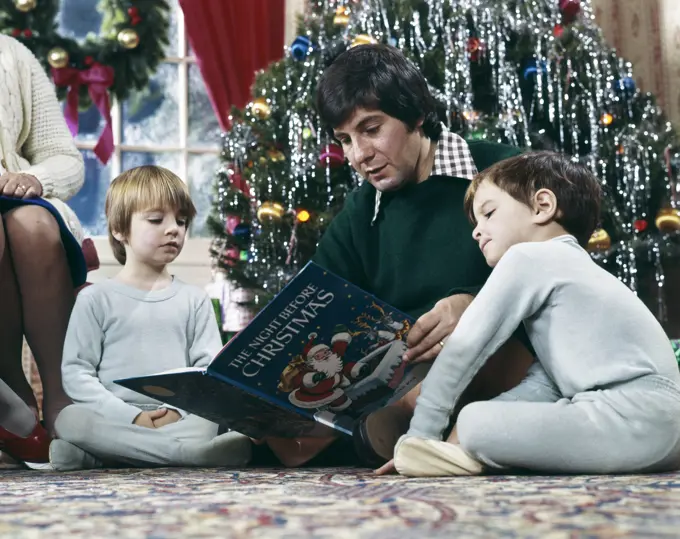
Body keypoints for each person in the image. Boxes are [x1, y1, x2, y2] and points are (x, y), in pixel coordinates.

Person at [260, 44, 535, 468]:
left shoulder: (503, 171)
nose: (358, 155)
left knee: (470, 356)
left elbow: (557, 266)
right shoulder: (360, 211)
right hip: (396, 372)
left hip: (488, 354)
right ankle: (378, 427)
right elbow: (314, 302)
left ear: (416, 113)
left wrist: (475, 301)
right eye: (345, 140)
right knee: (281, 410)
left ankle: (393, 424)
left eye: (371, 129)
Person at [392, 151, 680, 476]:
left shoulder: (528, 259)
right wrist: (459, 436)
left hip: (633, 416)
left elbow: (463, 348)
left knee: (474, 420)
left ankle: (462, 453)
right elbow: (545, 385)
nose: (476, 231)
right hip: (664, 429)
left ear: (542, 206)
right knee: (480, 420)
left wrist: (420, 436)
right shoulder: (576, 273)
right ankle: (464, 453)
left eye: (488, 213)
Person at [49, 166, 252, 470]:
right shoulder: (95, 298)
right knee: (68, 419)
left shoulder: (194, 299)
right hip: (112, 414)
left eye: (181, 221)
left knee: (208, 420)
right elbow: (77, 374)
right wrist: (131, 417)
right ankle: (188, 456)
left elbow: (207, 373)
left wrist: (174, 412)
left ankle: (100, 456)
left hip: (178, 416)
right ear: (119, 229)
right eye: (157, 220)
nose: (174, 229)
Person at [0, 35, 86, 447]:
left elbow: (65, 157)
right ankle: (10, 391)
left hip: (15, 197)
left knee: (34, 226)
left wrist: (36, 179)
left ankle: (61, 394)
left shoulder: (12, 55)